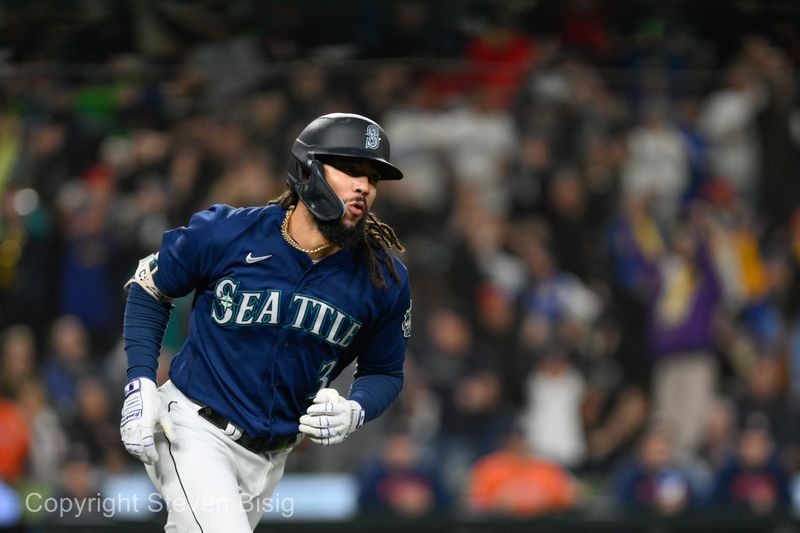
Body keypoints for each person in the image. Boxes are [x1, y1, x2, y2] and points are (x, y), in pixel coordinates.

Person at [119, 113, 412, 532]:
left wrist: (355, 408)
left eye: (373, 177)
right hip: (193, 430)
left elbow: (384, 370)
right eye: (350, 169)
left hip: (272, 457)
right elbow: (150, 287)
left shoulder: (383, 278)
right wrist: (140, 382)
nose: (363, 186)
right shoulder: (229, 233)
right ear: (307, 169)